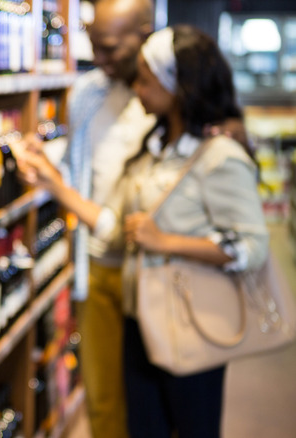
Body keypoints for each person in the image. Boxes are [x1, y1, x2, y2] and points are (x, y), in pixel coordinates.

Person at [17, 25, 269, 437]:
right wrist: (56, 185)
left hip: (193, 324)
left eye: (147, 82)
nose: (136, 90)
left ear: (179, 88)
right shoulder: (155, 148)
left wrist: (167, 242)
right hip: (142, 319)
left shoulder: (220, 155)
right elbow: (120, 229)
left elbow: (252, 247)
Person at [18, 1, 157, 436]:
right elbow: (79, 170)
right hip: (98, 266)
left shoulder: (166, 98)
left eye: (110, 48)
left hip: (152, 270)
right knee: (103, 400)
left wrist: (60, 188)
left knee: (152, 402)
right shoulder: (88, 93)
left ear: (145, 32)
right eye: (94, 46)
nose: (99, 59)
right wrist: (45, 163)